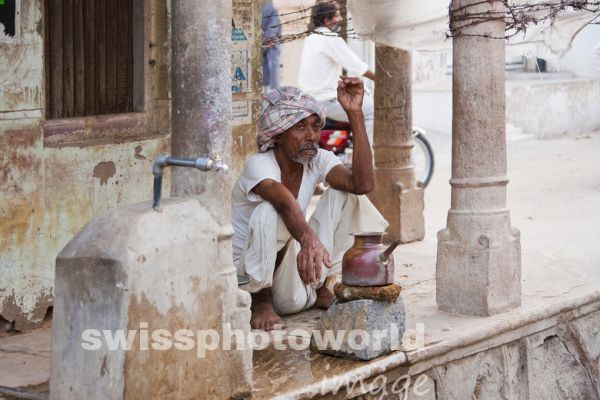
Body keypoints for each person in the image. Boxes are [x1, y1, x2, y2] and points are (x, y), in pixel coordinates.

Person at [232, 79, 387, 330]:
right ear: (278, 135)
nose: (312, 136)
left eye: (315, 127)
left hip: (293, 284)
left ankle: (324, 286)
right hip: (247, 282)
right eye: (300, 127)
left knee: (346, 195)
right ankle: (261, 302)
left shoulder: (316, 161)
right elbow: (283, 202)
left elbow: (362, 184)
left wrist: (355, 114)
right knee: (270, 210)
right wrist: (309, 240)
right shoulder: (258, 165)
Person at [298, 0, 375, 142]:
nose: (340, 19)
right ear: (327, 20)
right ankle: (367, 156)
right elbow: (356, 65)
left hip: (311, 100)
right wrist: (379, 79)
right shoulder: (329, 37)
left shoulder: (311, 38)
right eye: (337, 16)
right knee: (372, 111)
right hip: (325, 101)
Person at [262, 1, 281, 91]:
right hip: (271, 39)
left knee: (268, 63)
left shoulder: (264, 6)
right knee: (273, 63)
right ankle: (274, 89)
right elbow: (273, 26)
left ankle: (268, 88)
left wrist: (262, 43)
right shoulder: (271, 6)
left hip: (263, 40)